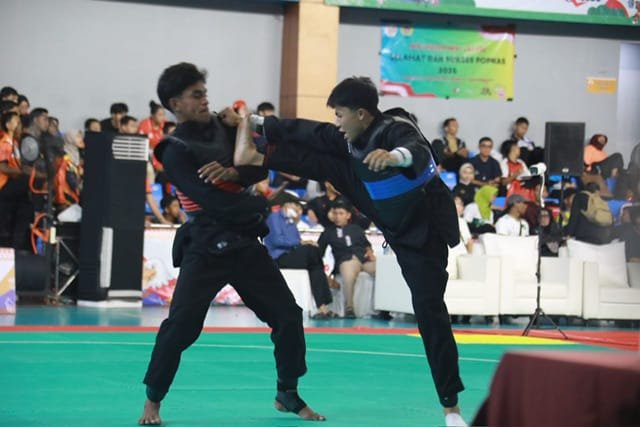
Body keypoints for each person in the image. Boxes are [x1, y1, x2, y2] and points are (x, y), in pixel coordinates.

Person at [221, 76, 466, 426]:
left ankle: (451, 408)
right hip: (379, 203)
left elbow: (416, 150)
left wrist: (393, 157)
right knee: (323, 150)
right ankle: (258, 152)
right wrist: (252, 121)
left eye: (340, 114)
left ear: (362, 114)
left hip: (421, 234)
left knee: (429, 310)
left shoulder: (396, 129)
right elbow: (309, 130)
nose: (337, 121)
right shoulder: (347, 137)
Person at [139, 62, 324, 425]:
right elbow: (214, 201)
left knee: (288, 315)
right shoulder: (173, 149)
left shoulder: (227, 125)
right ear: (175, 104)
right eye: (196, 95)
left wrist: (235, 170)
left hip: (244, 242)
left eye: (204, 92)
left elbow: (261, 167)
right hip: (205, 245)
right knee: (181, 328)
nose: (204, 99)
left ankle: (287, 392)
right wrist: (264, 203)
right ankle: (152, 401)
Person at [264, 200, 335, 319]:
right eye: (294, 206)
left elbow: (296, 240)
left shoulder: (291, 221)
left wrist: (296, 223)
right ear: (286, 205)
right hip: (279, 257)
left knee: (315, 263)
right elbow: (277, 241)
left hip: (291, 254)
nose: (296, 209)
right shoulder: (274, 218)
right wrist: (301, 242)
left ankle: (322, 307)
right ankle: (323, 305)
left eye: (298, 207)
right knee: (313, 253)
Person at [317, 198, 376, 318]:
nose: (337, 217)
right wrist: (326, 276)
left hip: (363, 259)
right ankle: (349, 308)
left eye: (341, 213)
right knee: (348, 273)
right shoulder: (328, 232)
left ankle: (385, 308)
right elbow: (318, 253)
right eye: (335, 213)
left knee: (384, 270)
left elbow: (367, 244)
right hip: (345, 260)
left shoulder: (356, 229)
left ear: (348, 215)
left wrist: (370, 252)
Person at [306, 181, 371, 230]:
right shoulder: (317, 201)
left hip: (347, 230)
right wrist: (310, 209)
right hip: (326, 230)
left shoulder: (346, 199)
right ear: (327, 184)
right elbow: (307, 209)